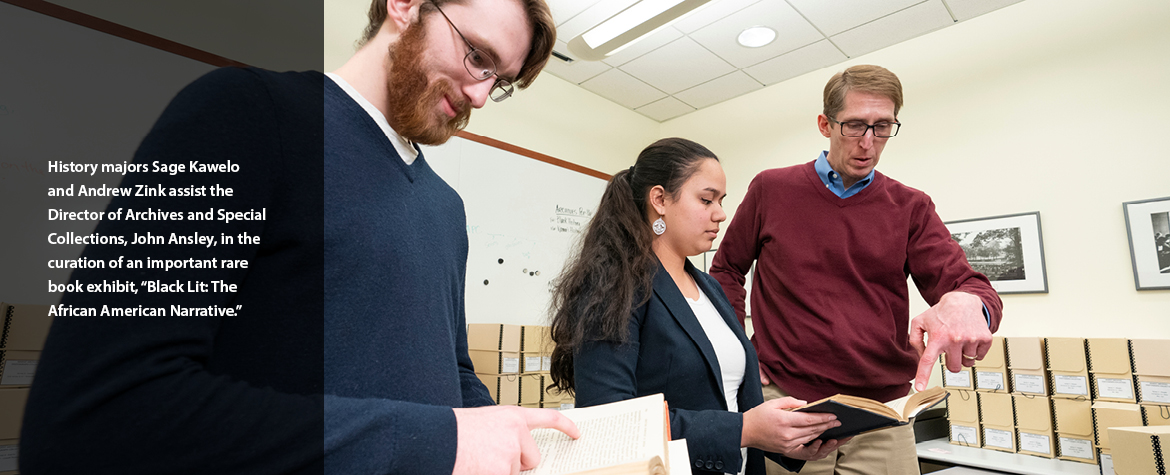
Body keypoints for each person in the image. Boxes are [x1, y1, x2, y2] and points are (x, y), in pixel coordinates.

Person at [21, 0, 577, 473]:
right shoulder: (246, 115)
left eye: (497, 82)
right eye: (477, 56)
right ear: (405, 5)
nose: (480, 98)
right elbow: (98, 414)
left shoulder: (445, 210)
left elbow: (450, 370)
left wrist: (506, 433)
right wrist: (432, 442)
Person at [709, 65, 1004, 475]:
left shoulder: (911, 206)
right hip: (790, 402)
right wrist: (738, 345)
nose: (869, 142)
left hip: (880, 411)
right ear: (824, 124)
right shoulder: (771, 189)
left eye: (882, 127)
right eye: (854, 126)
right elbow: (726, 269)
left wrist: (970, 303)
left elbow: (967, 284)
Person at [548, 138, 848, 475]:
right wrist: (744, 430)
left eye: (720, 201)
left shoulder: (711, 289)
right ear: (659, 199)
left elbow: (734, 402)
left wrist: (791, 440)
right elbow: (609, 420)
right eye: (706, 200)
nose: (720, 214)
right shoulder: (615, 286)